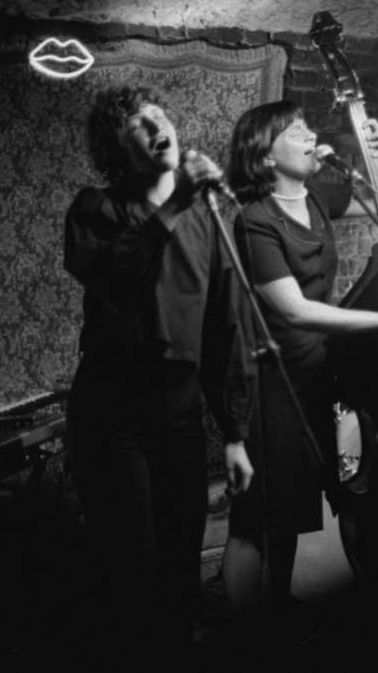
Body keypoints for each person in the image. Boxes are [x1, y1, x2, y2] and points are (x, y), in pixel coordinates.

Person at [62, 84, 255, 669]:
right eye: (135, 126)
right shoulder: (96, 209)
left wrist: (236, 432)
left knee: (179, 569)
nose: (153, 127)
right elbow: (116, 281)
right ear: (117, 154)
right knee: (133, 572)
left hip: (178, 411)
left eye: (157, 116)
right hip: (112, 412)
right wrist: (173, 207)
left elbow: (226, 327)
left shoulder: (209, 217)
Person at [221, 100, 378, 643]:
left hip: (312, 376)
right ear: (266, 157)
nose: (311, 134)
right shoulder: (254, 221)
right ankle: (247, 641)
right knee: (255, 522)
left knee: (291, 513)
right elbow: (294, 310)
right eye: (295, 130)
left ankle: (276, 619)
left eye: (307, 126)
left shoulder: (318, 197)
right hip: (270, 384)